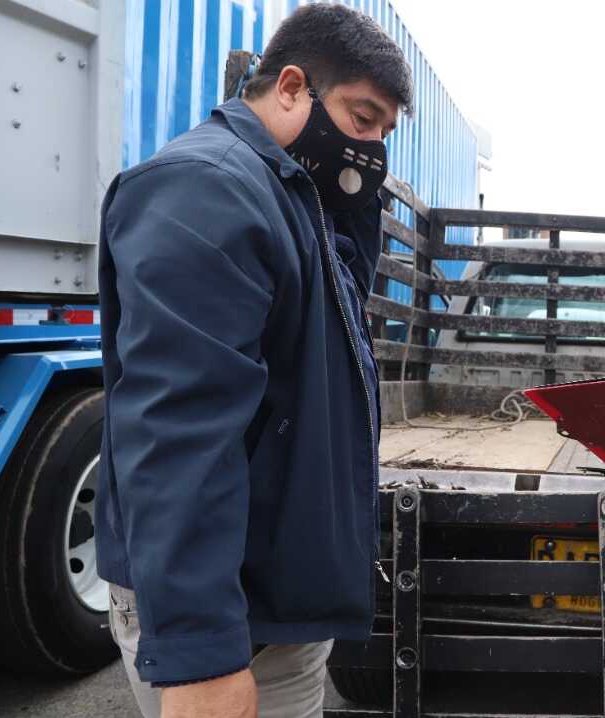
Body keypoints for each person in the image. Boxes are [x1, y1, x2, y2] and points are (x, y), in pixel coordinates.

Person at [95, 5, 412, 717]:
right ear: (293, 87)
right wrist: (202, 654)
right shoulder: (206, 189)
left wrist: (351, 200)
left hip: (273, 602)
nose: (370, 149)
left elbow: (324, 333)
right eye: (362, 119)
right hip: (232, 617)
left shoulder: (293, 196)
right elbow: (179, 429)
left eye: (384, 134)